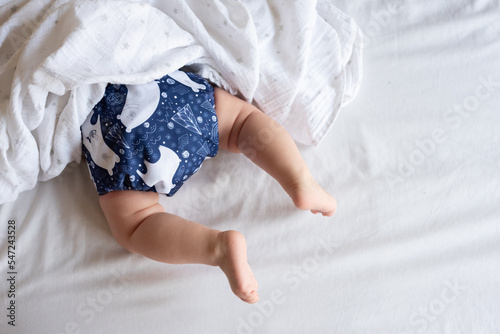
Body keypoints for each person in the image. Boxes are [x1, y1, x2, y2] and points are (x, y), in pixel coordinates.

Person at [81, 69, 337, 304]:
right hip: (169, 93)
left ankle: (216, 247)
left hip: (110, 129)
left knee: (136, 224)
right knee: (242, 122)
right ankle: (299, 181)